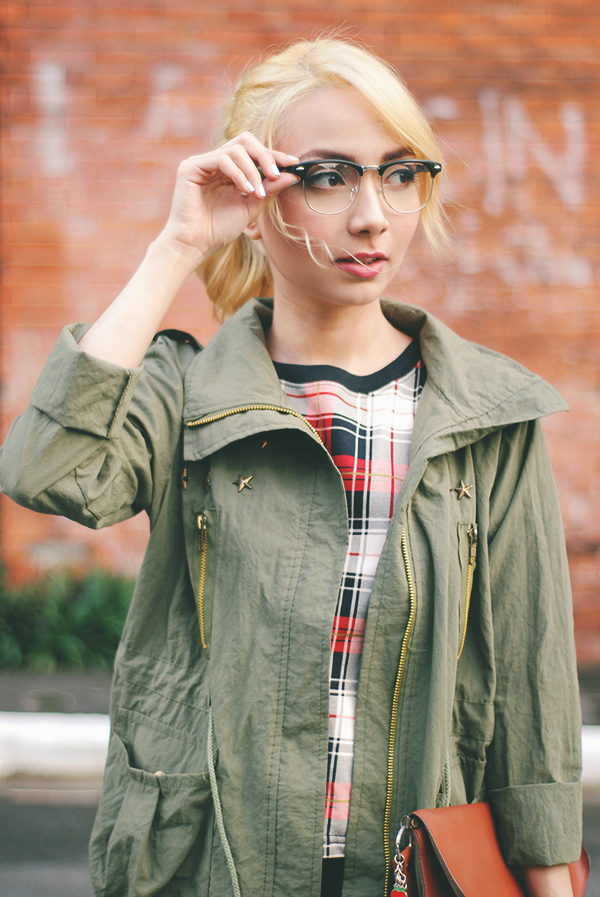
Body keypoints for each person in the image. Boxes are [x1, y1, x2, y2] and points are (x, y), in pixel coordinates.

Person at [0, 37, 582, 897]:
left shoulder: (484, 415)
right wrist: (177, 245)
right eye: (328, 177)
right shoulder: (189, 392)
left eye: (399, 173)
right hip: (212, 868)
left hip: (413, 871)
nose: (372, 215)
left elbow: (534, 696)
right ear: (258, 196)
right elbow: (48, 466)